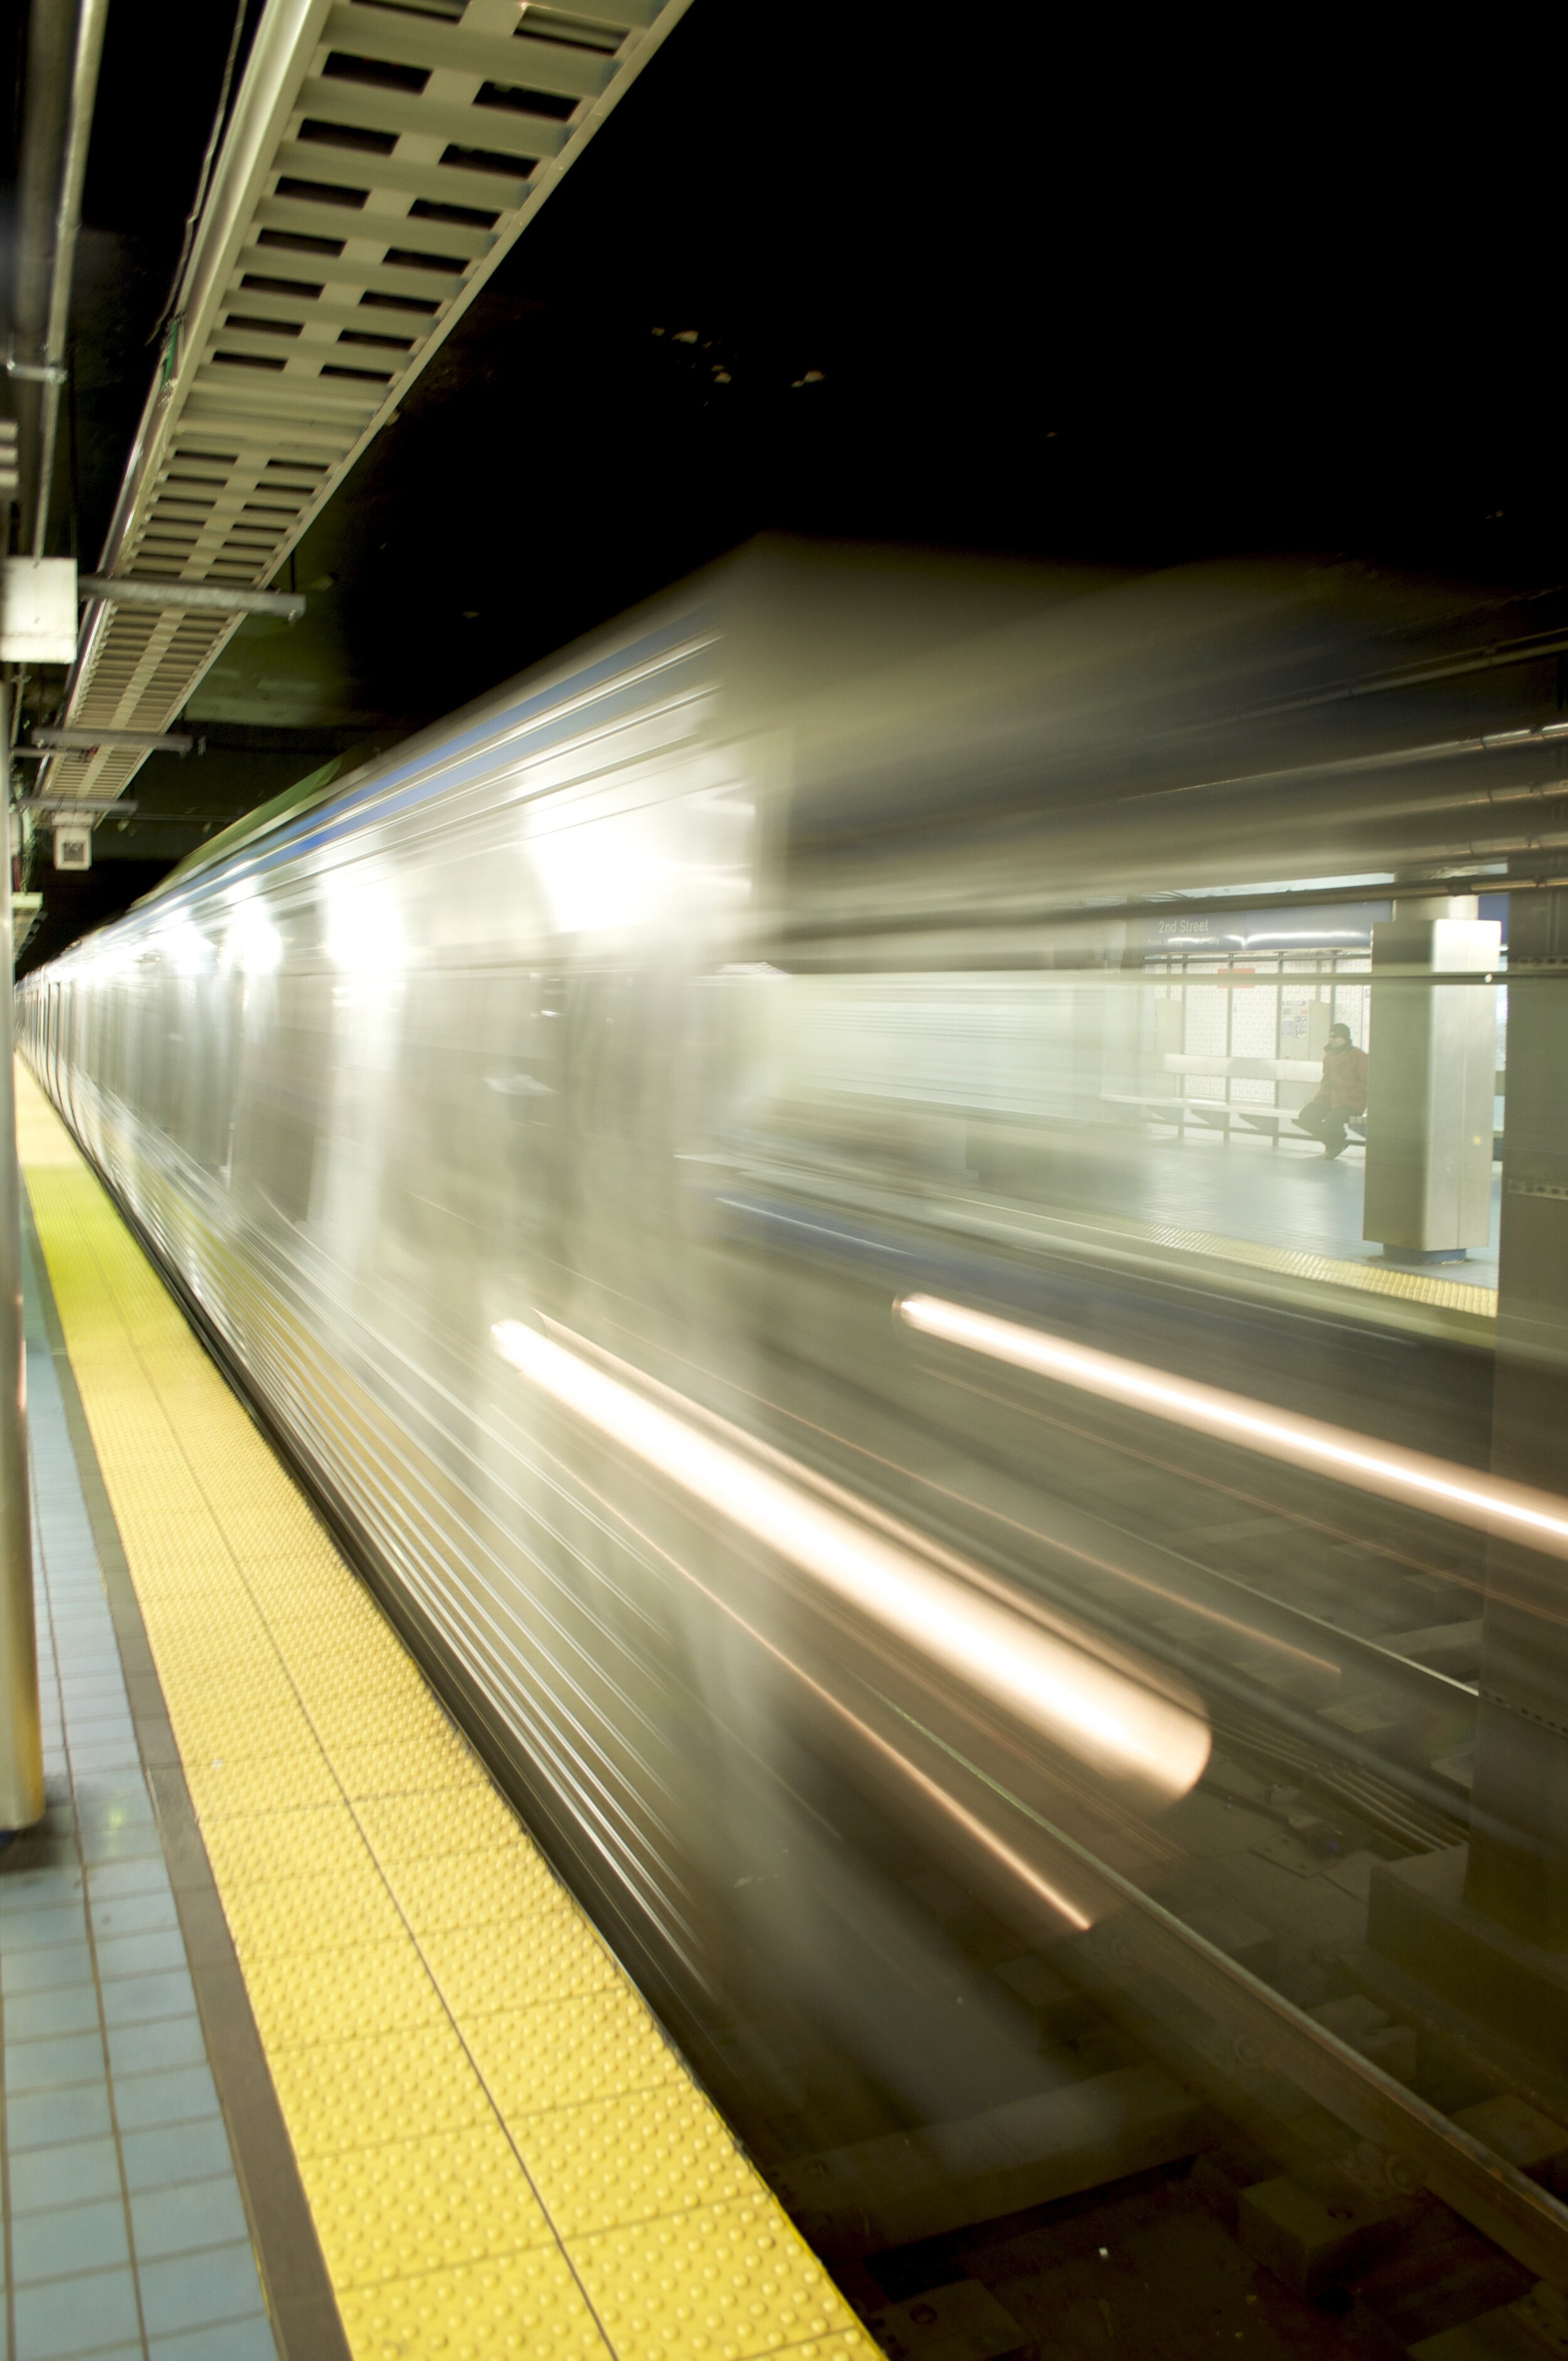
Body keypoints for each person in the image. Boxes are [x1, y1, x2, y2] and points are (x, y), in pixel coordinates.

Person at [1294, 1021, 1368, 1157]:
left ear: (1344, 1038)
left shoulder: (1358, 1056)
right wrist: (1319, 1099)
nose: (1331, 1040)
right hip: (1329, 1100)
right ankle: (1337, 1142)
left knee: (1332, 1120)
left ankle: (1336, 1143)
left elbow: (1365, 1082)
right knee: (1306, 1116)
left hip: (1350, 1102)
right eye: (1330, 1036)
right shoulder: (1329, 1056)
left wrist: (1352, 1096)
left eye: (1335, 1037)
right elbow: (1326, 1080)